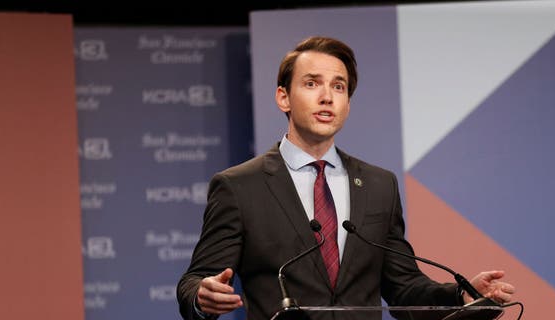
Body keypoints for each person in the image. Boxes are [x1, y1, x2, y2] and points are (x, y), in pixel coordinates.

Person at [177, 35, 515, 320]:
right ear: (283, 97)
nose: (327, 96)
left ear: (347, 103)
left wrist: (461, 294)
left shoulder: (379, 185)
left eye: (338, 87)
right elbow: (194, 281)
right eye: (312, 84)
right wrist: (202, 296)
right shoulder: (240, 186)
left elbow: (403, 287)